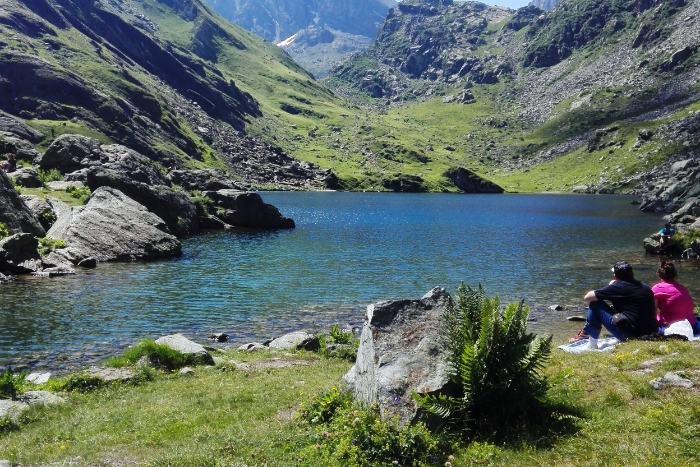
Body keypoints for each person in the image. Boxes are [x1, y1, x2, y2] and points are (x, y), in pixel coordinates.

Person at [571, 261, 657, 349]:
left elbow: (588, 297)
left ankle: (592, 345)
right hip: (650, 331)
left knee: (595, 304)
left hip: (631, 335)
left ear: (615, 276)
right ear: (632, 274)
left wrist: (611, 286)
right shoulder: (645, 287)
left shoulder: (617, 287)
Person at [652, 260, 697, 333]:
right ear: (674, 275)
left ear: (659, 275)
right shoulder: (682, 288)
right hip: (691, 325)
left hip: (670, 327)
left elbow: (653, 312)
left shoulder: (657, 288)